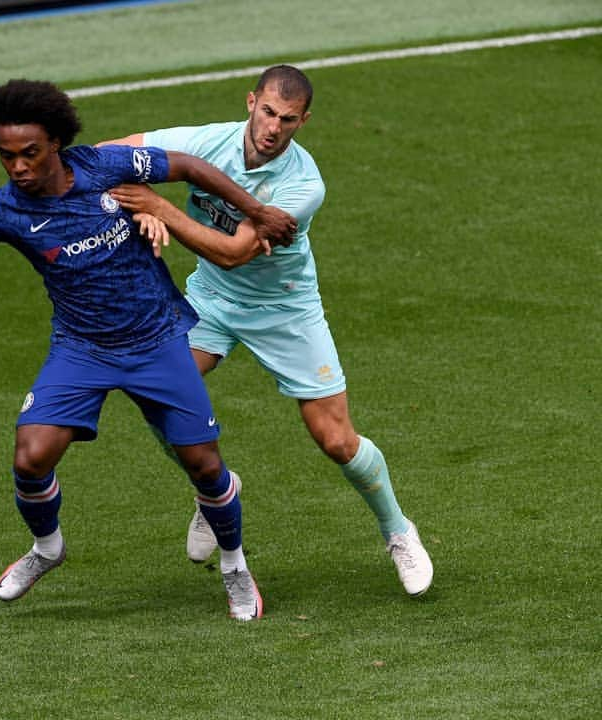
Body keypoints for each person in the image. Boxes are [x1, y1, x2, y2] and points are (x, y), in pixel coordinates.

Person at [0, 79, 295, 621]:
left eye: (30, 153)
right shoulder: (2, 210)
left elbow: (188, 166)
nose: (18, 167)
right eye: (7, 156)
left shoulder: (103, 165)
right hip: (82, 349)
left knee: (205, 467)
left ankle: (235, 565)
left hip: (156, 338)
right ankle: (48, 549)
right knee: (31, 457)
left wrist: (255, 212)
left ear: (55, 144)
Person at [100, 64, 434, 596]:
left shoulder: (304, 184)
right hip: (211, 299)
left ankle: (398, 530)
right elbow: (105, 154)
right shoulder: (206, 141)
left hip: (285, 309)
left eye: (289, 119)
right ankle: (215, 491)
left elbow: (233, 254)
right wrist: (132, 193)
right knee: (156, 396)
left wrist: (160, 205)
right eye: (269, 112)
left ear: (304, 122)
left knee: (336, 440)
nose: (274, 127)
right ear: (251, 101)